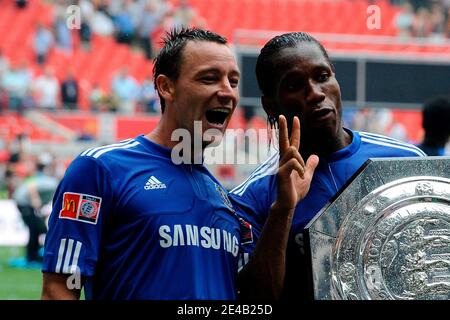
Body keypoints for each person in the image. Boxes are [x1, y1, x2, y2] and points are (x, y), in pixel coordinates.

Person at [41, 28, 316, 300]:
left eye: (233, 82)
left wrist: (283, 209)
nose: (227, 92)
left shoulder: (224, 199)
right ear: (166, 86)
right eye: (209, 79)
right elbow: (59, 288)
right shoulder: (100, 170)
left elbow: (255, 298)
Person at [229, 32, 427, 300]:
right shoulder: (254, 194)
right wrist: (283, 210)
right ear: (270, 105)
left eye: (322, 77)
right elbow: (254, 299)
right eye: (294, 85)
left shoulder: (405, 161)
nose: (315, 93)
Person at [12, 159, 59, 267]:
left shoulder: (53, 187)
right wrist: (35, 199)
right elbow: (31, 185)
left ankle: (34, 255)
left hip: (26, 204)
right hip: (23, 201)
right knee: (34, 229)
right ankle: (31, 257)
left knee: (37, 229)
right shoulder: (53, 184)